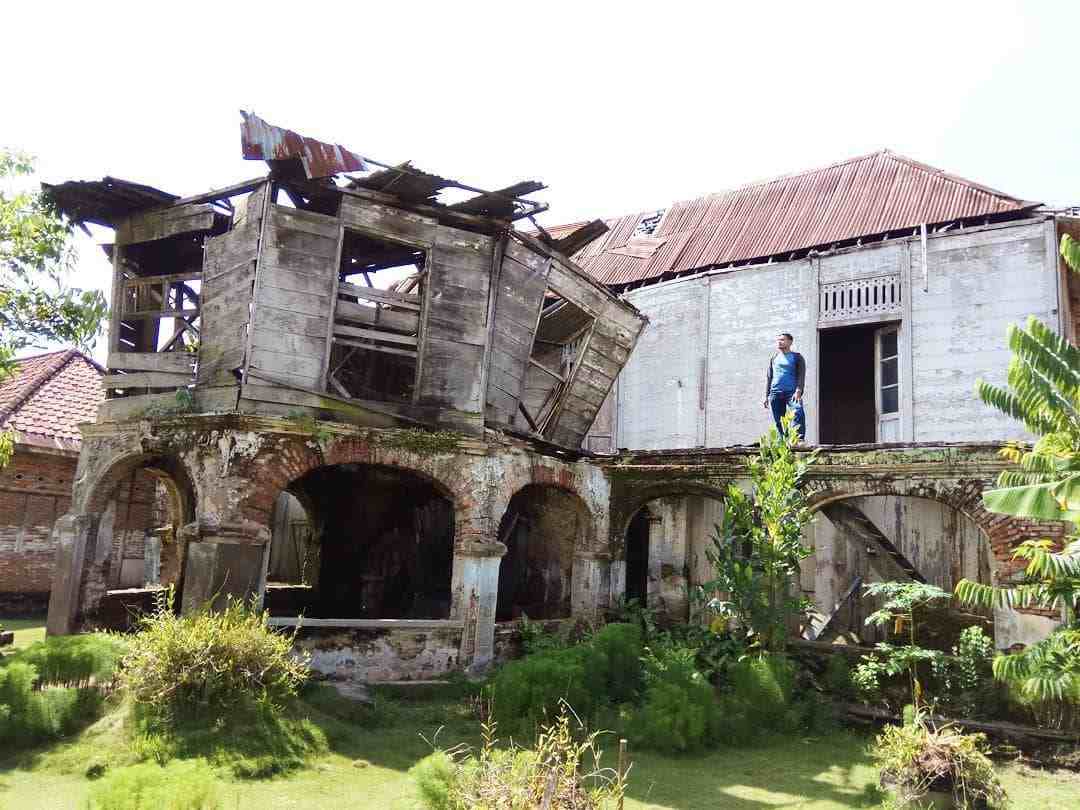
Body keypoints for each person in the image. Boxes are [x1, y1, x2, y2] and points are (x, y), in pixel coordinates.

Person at [763, 332, 806, 441]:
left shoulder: (797, 357)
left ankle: (798, 439)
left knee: (798, 411)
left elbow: (801, 374)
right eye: (778, 340)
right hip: (775, 393)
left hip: (792, 392)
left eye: (782, 340)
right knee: (778, 420)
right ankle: (782, 441)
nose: (779, 342)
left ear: (790, 342)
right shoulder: (774, 358)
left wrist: (799, 390)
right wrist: (766, 396)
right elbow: (769, 377)